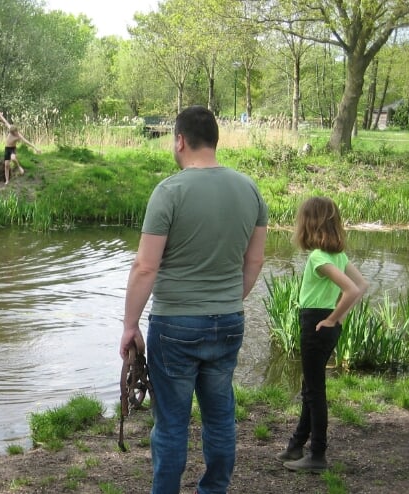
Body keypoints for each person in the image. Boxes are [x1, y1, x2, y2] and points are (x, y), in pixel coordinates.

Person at [119, 105, 268, 494]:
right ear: (215, 140)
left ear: (180, 140)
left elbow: (145, 268)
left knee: (171, 424)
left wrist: (130, 325)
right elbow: (255, 260)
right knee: (221, 418)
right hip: (228, 320)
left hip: (175, 327)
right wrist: (229, 299)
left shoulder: (170, 191)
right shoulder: (250, 189)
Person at [277, 196, 368, 473]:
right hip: (325, 324)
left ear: (310, 224)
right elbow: (362, 285)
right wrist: (337, 319)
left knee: (315, 391)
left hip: (316, 322)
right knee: (310, 388)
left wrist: (330, 319)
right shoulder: (337, 255)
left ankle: (317, 455)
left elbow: (352, 290)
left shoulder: (318, 257)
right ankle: (296, 445)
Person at [0, 110, 39, 184]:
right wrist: (0, 115)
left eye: (13, 133)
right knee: (6, 165)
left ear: (16, 131)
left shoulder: (19, 136)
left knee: (13, 158)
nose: (12, 134)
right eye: (11, 133)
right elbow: (5, 122)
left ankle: (19, 167)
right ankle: (7, 180)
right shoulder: (10, 128)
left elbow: (27, 142)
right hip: (7, 149)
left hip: (12, 149)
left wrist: (35, 148)